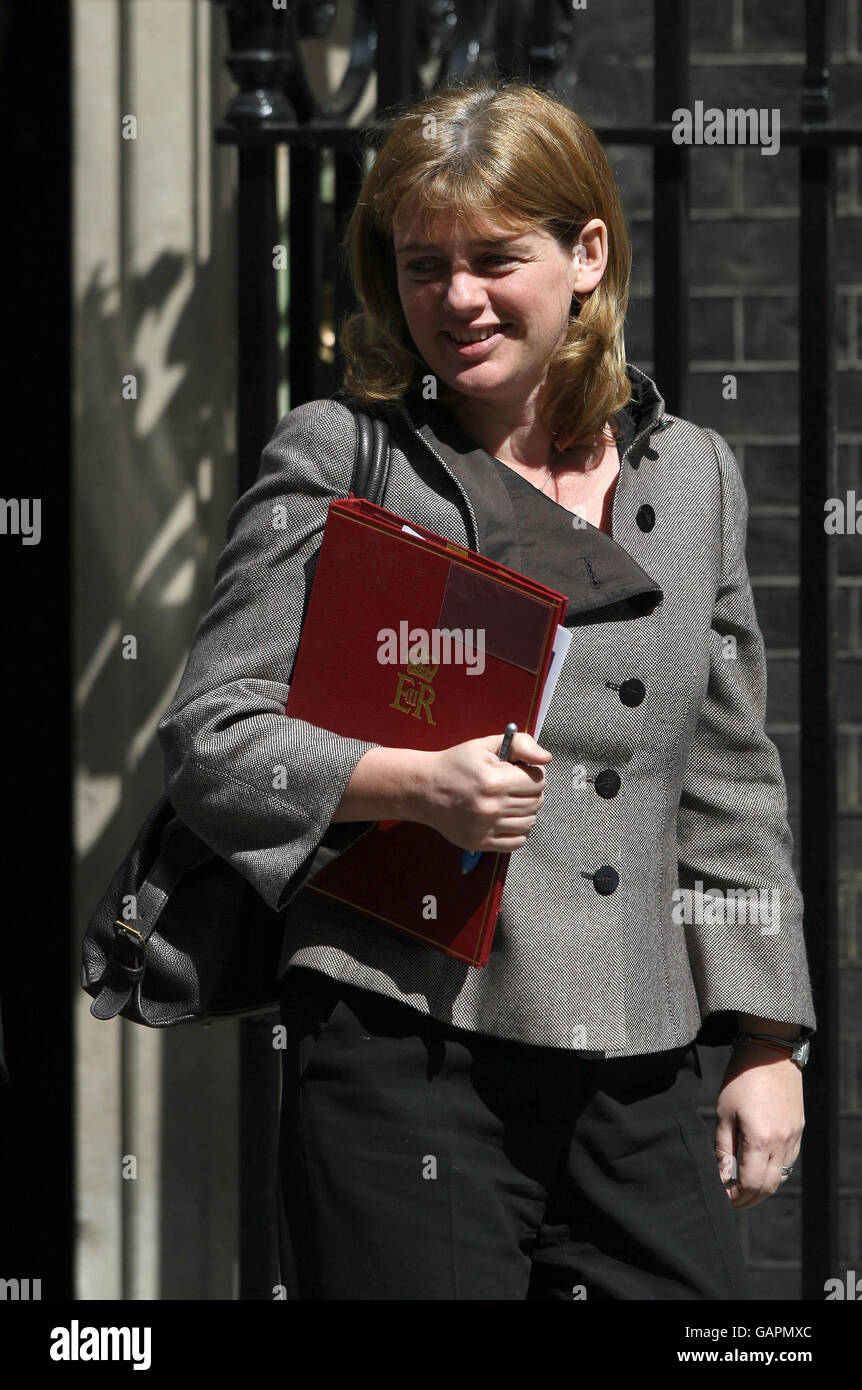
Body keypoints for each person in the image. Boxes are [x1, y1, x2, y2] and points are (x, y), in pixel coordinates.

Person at [157, 78, 816, 1300]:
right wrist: (408, 782)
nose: (454, 298)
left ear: (586, 254)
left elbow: (728, 774)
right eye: (421, 265)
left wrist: (769, 1039)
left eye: (493, 258)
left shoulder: (695, 474)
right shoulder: (344, 456)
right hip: (404, 1058)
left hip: (641, 1065)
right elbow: (209, 738)